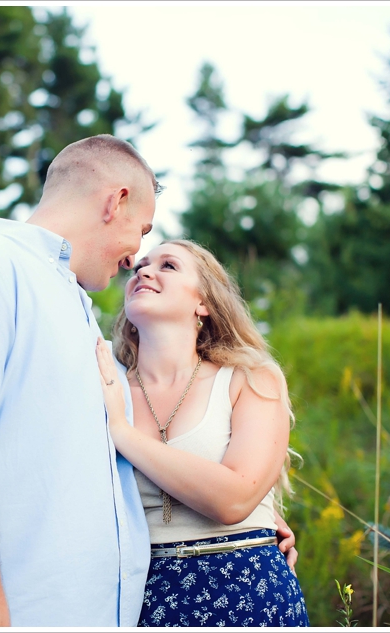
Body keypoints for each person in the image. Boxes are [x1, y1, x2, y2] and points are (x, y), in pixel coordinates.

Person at [0, 134, 297, 627]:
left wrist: (251, 528)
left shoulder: (78, 314)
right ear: (117, 202)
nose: (135, 258)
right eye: (143, 232)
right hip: (5, 613)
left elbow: (61, 457)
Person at [95, 239, 309, 627]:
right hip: (139, 591)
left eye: (168, 266)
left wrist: (123, 434)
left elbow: (234, 499)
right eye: (140, 265)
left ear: (203, 304)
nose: (144, 271)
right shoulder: (105, 382)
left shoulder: (249, 378)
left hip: (246, 586)